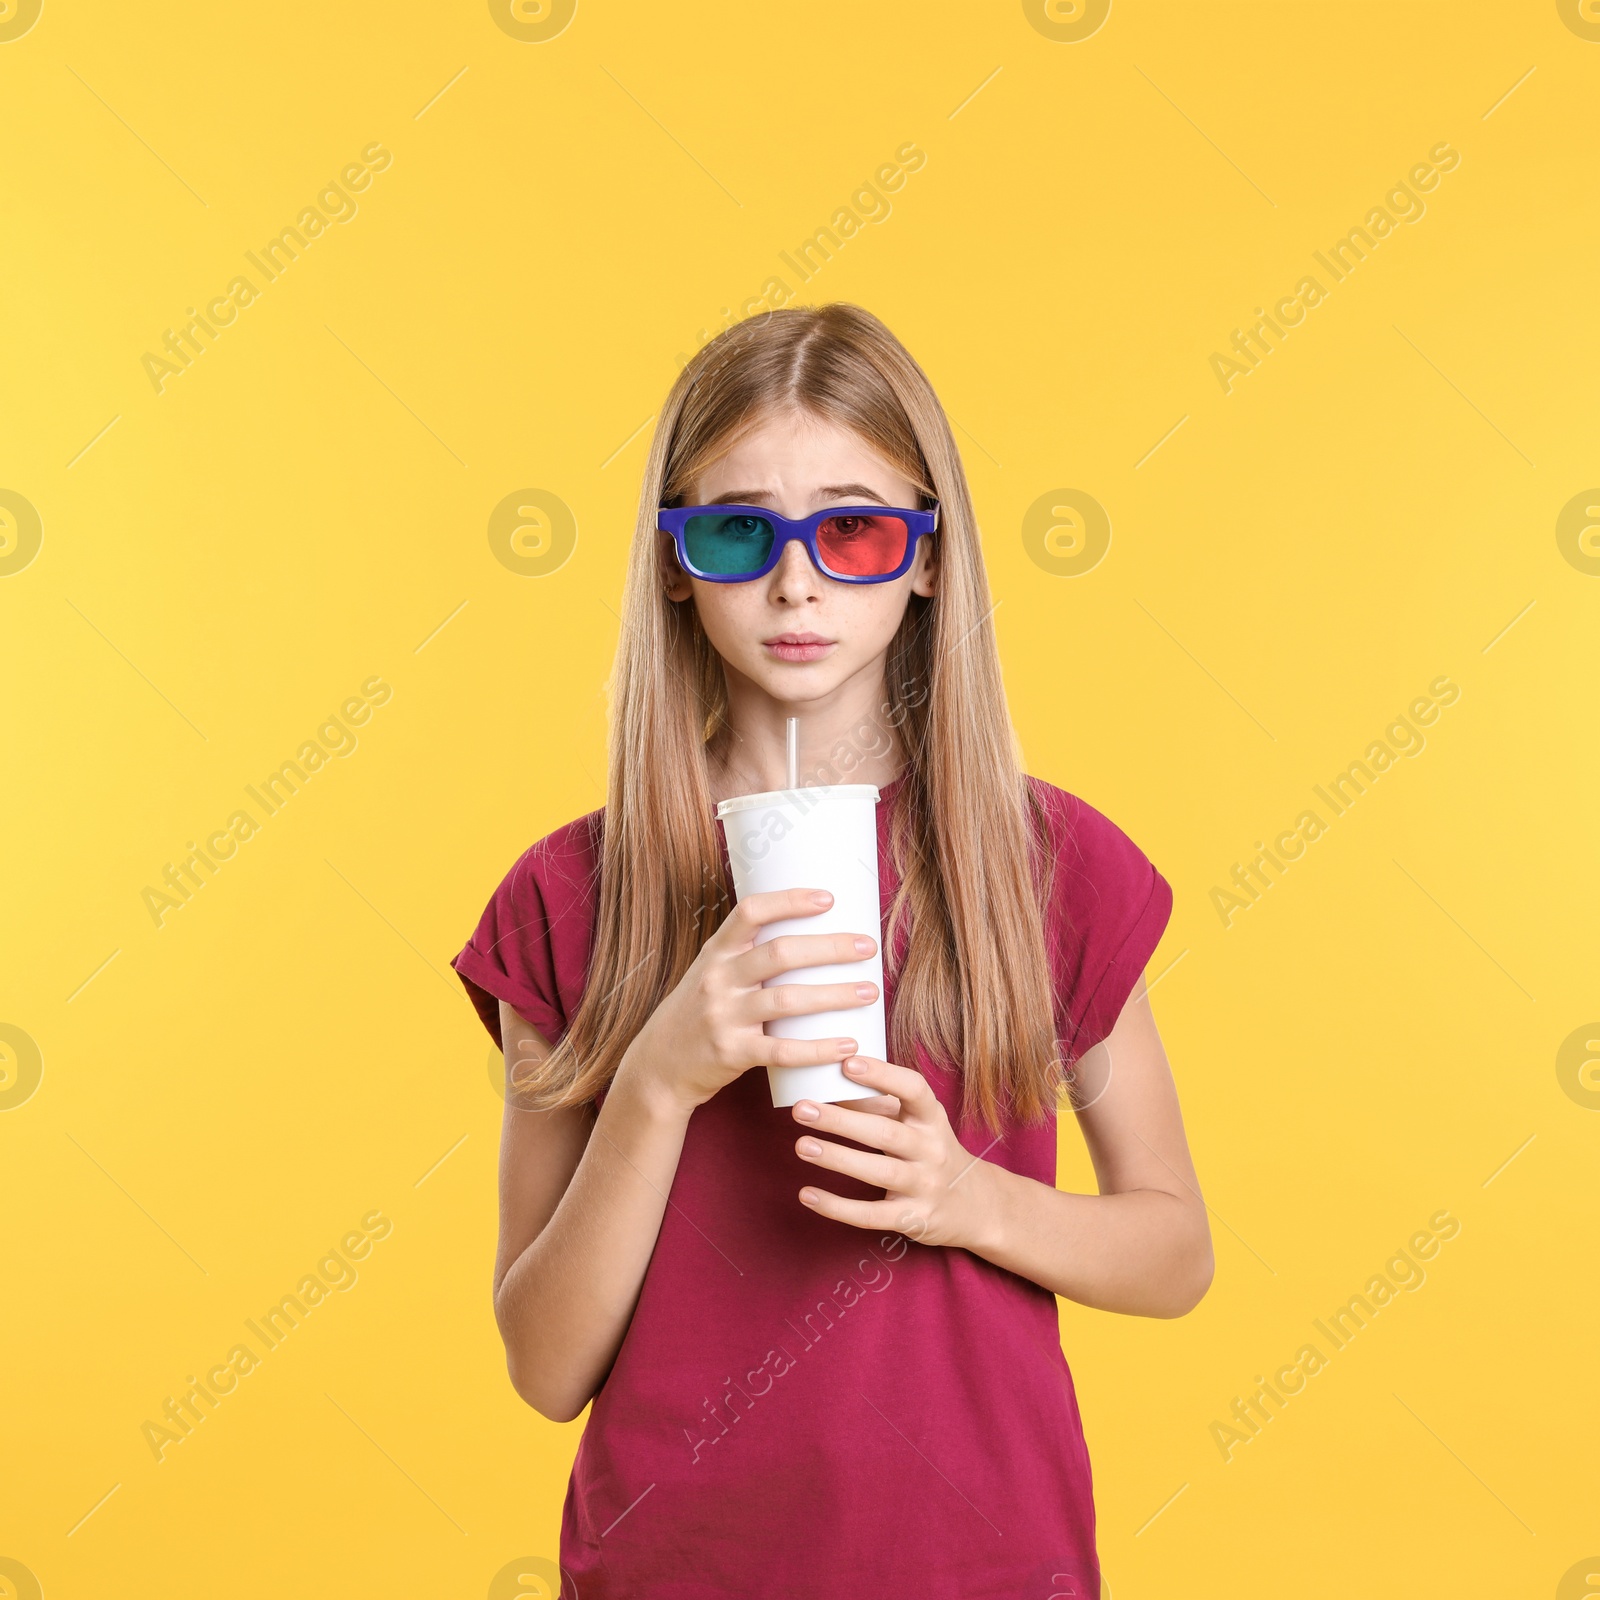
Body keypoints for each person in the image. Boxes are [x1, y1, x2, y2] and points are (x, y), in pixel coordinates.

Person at [451, 302, 1213, 1599]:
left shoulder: (1044, 867)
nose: (796, 582)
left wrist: (964, 1199)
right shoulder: (568, 899)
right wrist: (658, 1078)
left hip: (987, 1561)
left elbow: (1173, 1252)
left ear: (925, 559)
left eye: (852, 528)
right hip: (674, 1567)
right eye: (741, 529)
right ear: (677, 563)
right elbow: (545, 1366)